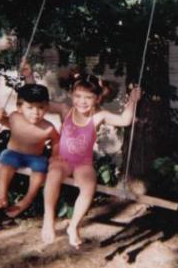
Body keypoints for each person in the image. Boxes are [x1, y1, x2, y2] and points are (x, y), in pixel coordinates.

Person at [24, 67, 141, 247]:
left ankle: (73, 226)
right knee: (53, 176)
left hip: (82, 162)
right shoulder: (65, 110)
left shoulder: (98, 116)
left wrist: (133, 100)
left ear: (97, 99)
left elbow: (125, 120)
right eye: (78, 96)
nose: (82, 102)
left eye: (88, 98)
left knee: (89, 185)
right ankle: (49, 219)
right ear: (72, 95)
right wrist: (28, 76)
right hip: (61, 159)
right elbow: (37, 100)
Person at [0, 83, 60, 218]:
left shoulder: (48, 128)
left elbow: (56, 140)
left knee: (41, 166)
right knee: (6, 159)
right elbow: (5, 122)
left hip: (35, 157)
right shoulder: (14, 117)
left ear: (46, 107)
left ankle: (27, 200)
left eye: (41, 107)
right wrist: (0, 117)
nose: (35, 112)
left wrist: (54, 155)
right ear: (19, 107)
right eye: (30, 107)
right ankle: (2, 196)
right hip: (14, 154)